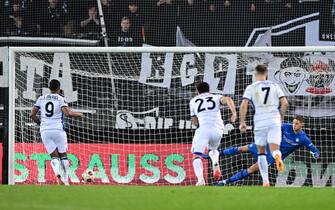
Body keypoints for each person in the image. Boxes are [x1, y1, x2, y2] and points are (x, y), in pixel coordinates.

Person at [217, 116, 320, 186]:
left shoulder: (303, 138)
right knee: (241, 148)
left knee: (251, 169)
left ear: (302, 124)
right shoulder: (285, 126)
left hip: (272, 157)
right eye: (293, 123)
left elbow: (315, 151)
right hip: (266, 146)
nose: (294, 125)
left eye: (297, 124)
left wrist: (315, 154)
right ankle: (218, 153)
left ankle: (225, 182)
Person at [239, 64, 289, 187]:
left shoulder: (251, 87)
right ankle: (277, 156)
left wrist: (242, 122)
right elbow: (285, 103)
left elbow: (244, 105)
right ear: (266, 73)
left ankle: (265, 181)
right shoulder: (275, 85)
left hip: (260, 120)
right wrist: (281, 118)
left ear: (256, 74)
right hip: (274, 119)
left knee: (261, 152)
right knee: (274, 149)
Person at [30, 79, 84, 185]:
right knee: (63, 155)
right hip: (58, 129)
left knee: (54, 156)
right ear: (59, 88)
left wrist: (40, 123)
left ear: (49, 88)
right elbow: (67, 113)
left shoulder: (41, 98)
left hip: (45, 130)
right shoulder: (60, 99)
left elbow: (32, 114)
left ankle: (57, 173)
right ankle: (65, 180)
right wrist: (79, 114)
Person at [190, 82, 237, 186]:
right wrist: (234, 113)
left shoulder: (193, 101)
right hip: (218, 130)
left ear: (198, 91)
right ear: (209, 89)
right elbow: (228, 99)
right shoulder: (216, 97)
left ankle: (201, 180)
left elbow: (194, 122)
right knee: (213, 150)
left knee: (196, 155)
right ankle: (215, 162)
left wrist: (196, 120)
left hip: (204, 129)